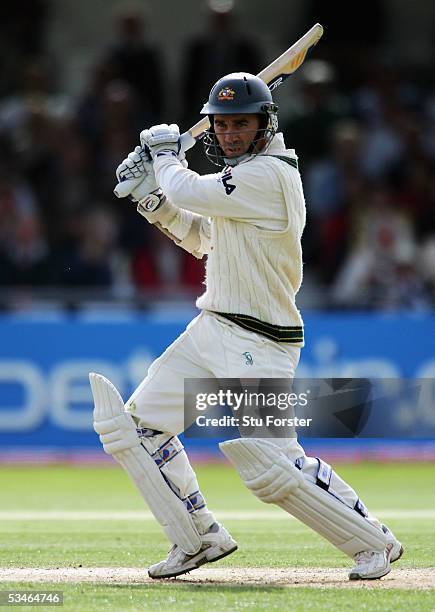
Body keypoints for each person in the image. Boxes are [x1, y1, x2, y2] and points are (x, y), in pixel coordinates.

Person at [89, 73, 403, 581]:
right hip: (212, 326)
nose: (230, 134)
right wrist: (151, 199)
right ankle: (197, 538)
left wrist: (165, 155)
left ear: (264, 125)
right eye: (222, 124)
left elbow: (187, 186)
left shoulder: (269, 175)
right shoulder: (241, 181)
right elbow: (202, 239)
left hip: (259, 337)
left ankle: (373, 541)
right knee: (134, 429)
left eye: (241, 123)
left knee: (274, 465)